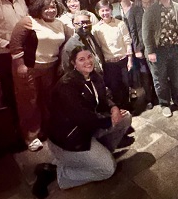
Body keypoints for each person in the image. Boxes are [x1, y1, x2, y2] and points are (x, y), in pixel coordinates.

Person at [32, 46, 131, 198]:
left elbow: (103, 98)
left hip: (86, 131)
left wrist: (114, 108)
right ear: (74, 64)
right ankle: (57, 173)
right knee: (108, 170)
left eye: (89, 57)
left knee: (125, 117)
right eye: (82, 59)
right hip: (69, 140)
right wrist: (109, 120)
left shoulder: (94, 76)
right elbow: (83, 117)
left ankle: (100, 156)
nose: (88, 62)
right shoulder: (67, 85)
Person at [9, 0, 70, 152]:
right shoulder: (28, 22)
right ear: (39, 8)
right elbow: (15, 45)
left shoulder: (59, 23)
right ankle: (31, 136)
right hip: (29, 69)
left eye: (54, 6)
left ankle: (47, 128)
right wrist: (20, 65)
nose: (51, 10)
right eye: (46, 7)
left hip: (50, 68)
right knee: (29, 102)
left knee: (48, 100)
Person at [142, 0, 178, 117]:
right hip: (158, 50)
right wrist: (150, 51)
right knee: (160, 80)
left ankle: (177, 98)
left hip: (175, 48)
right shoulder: (151, 11)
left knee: (177, 77)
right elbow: (146, 32)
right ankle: (164, 103)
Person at [92, 0, 133, 110]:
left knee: (125, 84)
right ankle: (118, 108)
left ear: (111, 10)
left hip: (123, 60)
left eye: (107, 10)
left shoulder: (120, 23)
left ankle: (127, 105)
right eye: (102, 10)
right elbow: (98, 47)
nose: (105, 13)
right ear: (97, 12)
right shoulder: (96, 28)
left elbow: (127, 41)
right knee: (114, 87)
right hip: (109, 63)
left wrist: (130, 60)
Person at [127, 0, 158, 109]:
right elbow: (132, 30)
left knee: (157, 73)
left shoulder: (156, 7)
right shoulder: (134, 10)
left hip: (156, 46)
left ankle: (159, 96)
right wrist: (137, 49)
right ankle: (149, 99)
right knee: (145, 75)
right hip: (142, 46)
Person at [60, 11, 105, 76]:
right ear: (73, 24)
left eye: (87, 22)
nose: (85, 25)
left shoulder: (91, 37)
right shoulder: (71, 46)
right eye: (81, 23)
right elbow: (68, 71)